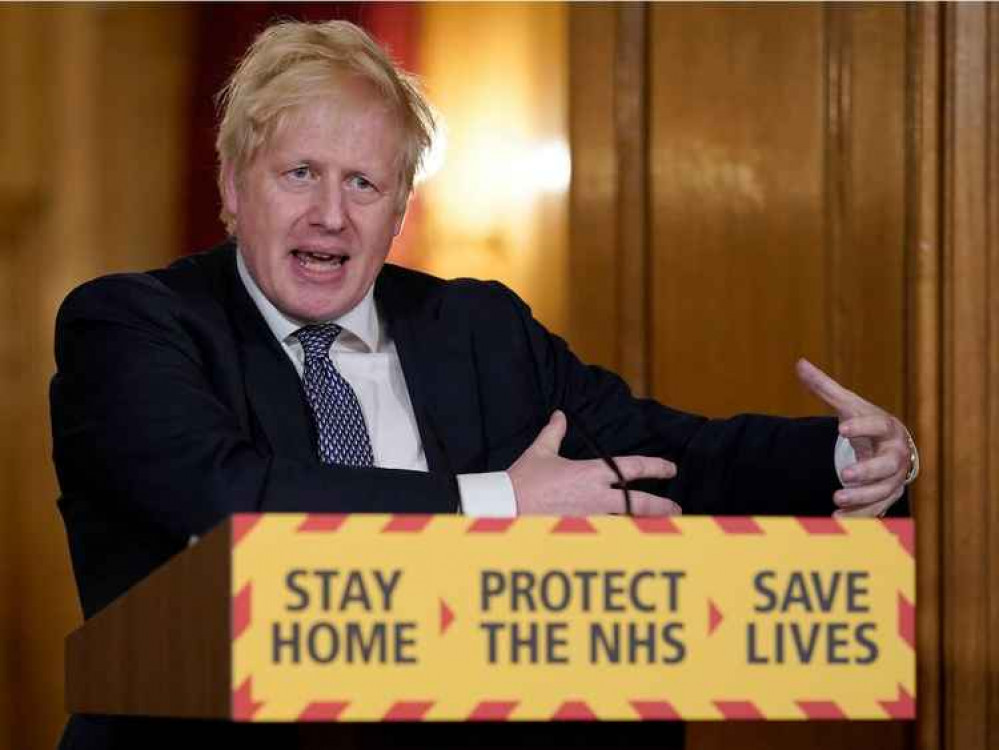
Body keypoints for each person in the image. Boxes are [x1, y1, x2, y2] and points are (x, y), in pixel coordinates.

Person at [50, 19, 917, 750]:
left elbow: (658, 454)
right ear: (234, 188)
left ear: (398, 214)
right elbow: (224, 497)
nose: (330, 214)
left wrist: (844, 456)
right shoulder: (131, 325)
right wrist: (497, 502)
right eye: (299, 173)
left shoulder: (477, 328)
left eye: (364, 183)